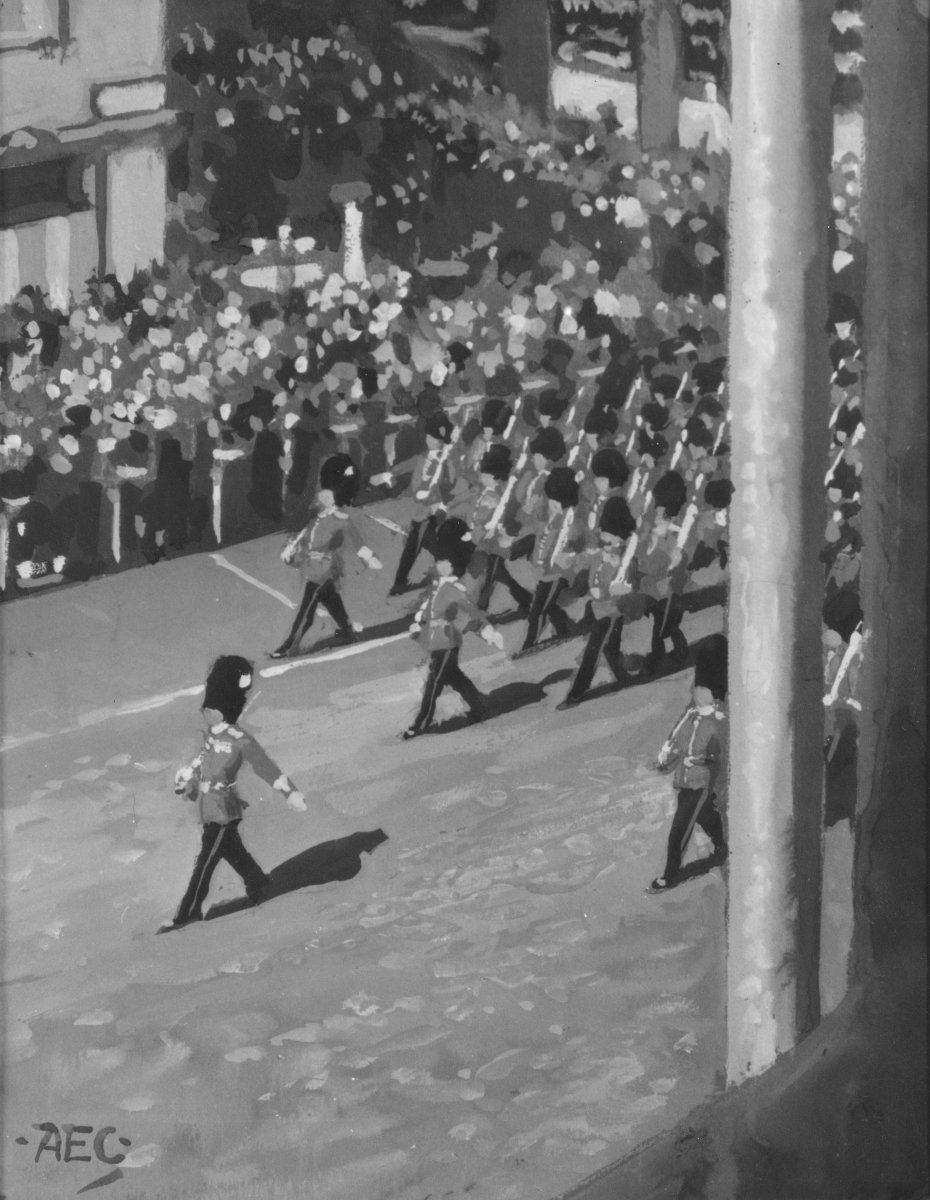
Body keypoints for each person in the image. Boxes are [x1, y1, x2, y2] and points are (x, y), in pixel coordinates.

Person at [160, 655, 306, 931]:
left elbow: (265, 766)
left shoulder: (239, 740)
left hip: (224, 811)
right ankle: (258, 882)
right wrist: (187, 784)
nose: (205, 711)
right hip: (209, 807)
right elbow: (203, 767)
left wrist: (290, 793)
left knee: (205, 862)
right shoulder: (212, 738)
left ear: (222, 709)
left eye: (211, 708)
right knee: (231, 851)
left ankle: (187, 912)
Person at [269, 454, 382, 658]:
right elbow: (306, 545)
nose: (322, 496)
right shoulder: (317, 519)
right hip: (315, 568)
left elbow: (356, 540)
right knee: (331, 600)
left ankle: (289, 645)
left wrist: (369, 556)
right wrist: (292, 557)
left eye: (327, 493)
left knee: (307, 609)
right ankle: (347, 632)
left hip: (324, 569)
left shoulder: (340, 519)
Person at [402, 519, 504, 739]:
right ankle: (478, 705)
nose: (439, 565)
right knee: (454, 677)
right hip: (434, 639)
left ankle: (422, 722)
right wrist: (418, 622)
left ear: (452, 565)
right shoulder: (437, 586)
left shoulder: (456, 589)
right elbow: (427, 608)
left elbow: (472, 612)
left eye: (443, 562)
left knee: (435, 681)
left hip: (448, 641)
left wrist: (486, 630)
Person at [557, 495, 641, 708]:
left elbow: (631, 584)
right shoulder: (601, 552)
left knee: (592, 652)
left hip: (611, 610)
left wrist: (622, 587)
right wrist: (570, 559)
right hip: (597, 608)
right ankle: (623, 676)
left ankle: (576, 693)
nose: (604, 539)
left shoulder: (626, 560)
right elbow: (586, 559)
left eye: (609, 537)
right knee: (610, 649)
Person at [647, 683, 727, 893]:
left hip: (700, 783)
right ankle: (722, 844)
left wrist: (699, 762)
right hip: (685, 781)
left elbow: (720, 757)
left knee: (679, 831)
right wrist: (665, 759)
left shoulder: (719, 722)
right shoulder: (690, 717)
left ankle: (670, 875)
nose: (697, 693)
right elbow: (677, 744)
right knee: (705, 816)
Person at [385, 411, 465, 595]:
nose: (428, 439)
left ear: (439, 440)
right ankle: (401, 582)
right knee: (420, 545)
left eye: (431, 437)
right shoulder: (425, 456)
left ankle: (452, 570)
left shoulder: (445, 460)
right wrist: (392, 473)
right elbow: (412, 463)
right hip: (421, 509)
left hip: (432, 511)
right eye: (428, 436)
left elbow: (451, 482)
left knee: (419, 545)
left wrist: (437, 494)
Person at [518, 466, 586, 654]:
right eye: (552, 502)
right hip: (544, 570)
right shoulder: (548, 515)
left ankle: (529, 644)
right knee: (547, 604)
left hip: (558, 573)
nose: (553, 506)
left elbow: (580, 546)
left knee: (538, 610)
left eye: (557, 503)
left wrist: (570, 557)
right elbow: (530, 523)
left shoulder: (572, 522)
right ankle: (564, 628)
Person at [462, 443, 534, 615]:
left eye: (486, 475)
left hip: (497, 542)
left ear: (496, 477)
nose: (482, 477)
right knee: (498, 574)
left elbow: (513, 515)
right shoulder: (482, 492)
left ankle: (482, 604)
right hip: (483, 540)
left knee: (492, 573)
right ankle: (525, 598)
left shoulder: (505, 494)